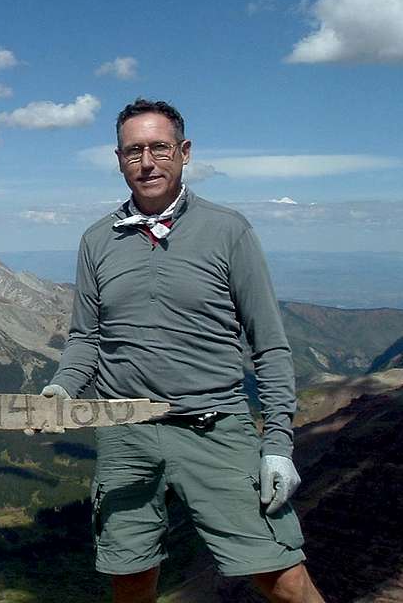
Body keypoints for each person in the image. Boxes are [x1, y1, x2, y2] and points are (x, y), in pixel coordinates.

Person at [38, 99, 324, 603]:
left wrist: (278, 444)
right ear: (118, 159)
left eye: (159, 148)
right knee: (130, 579)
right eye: (133, 151)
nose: (146, 162)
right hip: (125, 433)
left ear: (184, 152)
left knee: (283, 577)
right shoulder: (96, 240)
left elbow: (269, 342)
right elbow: (86, 337)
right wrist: (62, 386)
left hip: (216, 429)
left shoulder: (227, 230)